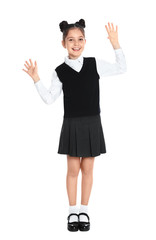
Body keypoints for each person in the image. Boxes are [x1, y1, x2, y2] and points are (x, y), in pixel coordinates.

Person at [22, 19, 127, 232]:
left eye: (80, 39)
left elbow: (121, 68)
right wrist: (36, 79)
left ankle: (84, 210)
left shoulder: (93, 64)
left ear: (85, 42)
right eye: (71, 40)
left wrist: (116, 44)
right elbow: (50, 98)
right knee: (72, 170)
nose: (75, 44)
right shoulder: (60, 70)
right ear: (64, 43)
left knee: (88, 169)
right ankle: (72, 211)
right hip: (71, 124)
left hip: (92, 123)